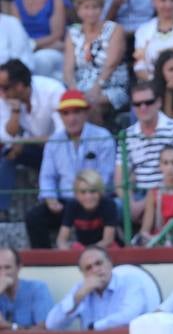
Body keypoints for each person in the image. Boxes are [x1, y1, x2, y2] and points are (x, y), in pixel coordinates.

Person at [24, 88, 116, 249]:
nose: (71, 118)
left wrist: (87, 196)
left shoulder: (103, 137)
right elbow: (47, 176)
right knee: (34, 217)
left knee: (106, 208)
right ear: (61, 116)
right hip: (65, 202)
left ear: (85, 113)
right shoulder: (54, 141)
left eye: (76, 112)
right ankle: (45, 260)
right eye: (66, 113)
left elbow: (106, 175)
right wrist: (50, 198)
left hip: (93, 199)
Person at [116, 79, 173, 225]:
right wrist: (131, 204)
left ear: (158, 102)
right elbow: (120, 178)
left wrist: (147, 202)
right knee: (113, 207)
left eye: (148, 102)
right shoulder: (127, 135)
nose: (143, 107)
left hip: (171, 192)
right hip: (138, 193)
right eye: (137, 104)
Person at [0, 58, 64, 223]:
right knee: (8, 155)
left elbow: (63, 136)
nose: (1, 92)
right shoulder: (6, 98)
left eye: (4, 87)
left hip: (60, 151)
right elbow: (6, 136)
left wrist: (26, 142)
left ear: (20, 86)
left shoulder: (52, 89)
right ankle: (1, 210)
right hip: (34, 148)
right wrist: (15, 111)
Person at [63, 0, 129, 124]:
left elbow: (111, 65)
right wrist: (74, 91)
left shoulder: (114, 29)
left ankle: (98, 136)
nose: (91, 12)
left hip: (111, 86)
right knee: (68, 102)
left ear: (101, 8)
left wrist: (96, 88)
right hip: (80, 86)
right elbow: (68, 69)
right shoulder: (73, 32)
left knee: (89, 103)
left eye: (95, 7)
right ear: (78, 10)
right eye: (86, 7)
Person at [45, 244, 152, 330]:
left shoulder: (130, 282)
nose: (95, 270)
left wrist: (94, 327)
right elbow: (51, 325)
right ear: (84, 274)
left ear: (110, 263)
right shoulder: (81, 289)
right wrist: (76, 299)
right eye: (88, 268)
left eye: (99, 263)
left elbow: (130, 316)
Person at [10, 0, 66, 79]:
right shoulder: (16, 4)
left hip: (52, 49)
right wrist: (29, 47)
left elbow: (57, 35)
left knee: (40, 60)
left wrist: (33, 45)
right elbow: (17, 34)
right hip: (27, 50)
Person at [55, 167, 120, 250]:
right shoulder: (71, 205)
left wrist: (88, 252)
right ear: (76, 194)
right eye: (83, 192)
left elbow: (108, 240)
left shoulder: (108, 204)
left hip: (106, 248)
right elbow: (61, 240)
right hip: (82, 248)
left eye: (93, 191)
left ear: (100, 192)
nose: (88, 196)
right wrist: (64, 248)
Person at [0, 245, 53, 330]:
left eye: (7, 267)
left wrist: (11, 327)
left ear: (19, 267)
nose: (3, 273)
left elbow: (44, 328)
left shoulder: (37, 289)